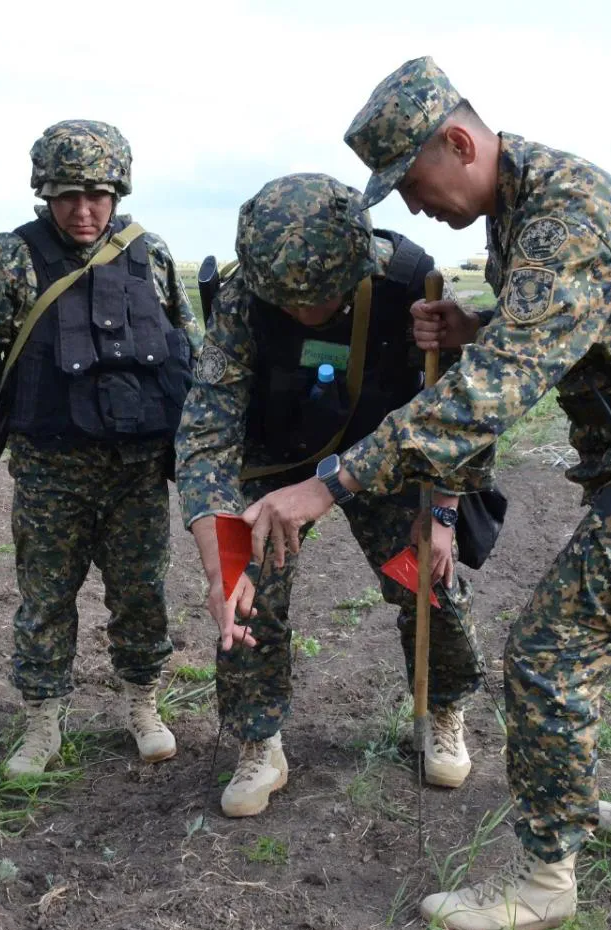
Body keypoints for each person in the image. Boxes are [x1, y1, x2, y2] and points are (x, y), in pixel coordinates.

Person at [242, 57, 611, 930]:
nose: (410, 206)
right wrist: (481, 328)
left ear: (460, 141)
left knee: (548, 653)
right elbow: (571, 332)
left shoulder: (565, 215)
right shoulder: (518, 207)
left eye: (412, 180)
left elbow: (493, 393)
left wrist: (332, 483)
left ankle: (545, 879)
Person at [176, 173, 494, 818]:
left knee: (426, 581)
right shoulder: (245, 296)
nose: (300, 313)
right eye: (286, 301)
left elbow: (464, 411)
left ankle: (443, 710)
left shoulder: (412, 284)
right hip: (279, 463)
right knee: (248, 592)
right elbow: (207, 427)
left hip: (389, 459)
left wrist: (441, 515)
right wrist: (220, 558)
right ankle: (258, 740)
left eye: (318, 299)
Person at [0, 119, 201, 776]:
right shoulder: (14, 257)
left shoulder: (153, 255)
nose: (83, 211)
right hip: (51, 470)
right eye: (67, 196)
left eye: (97, 195)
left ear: (119, 191)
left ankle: (143, 704)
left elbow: (190, 354)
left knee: (142, 594)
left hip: (138, 472)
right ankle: (43, 720)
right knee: (46, 599)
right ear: (44, 193)